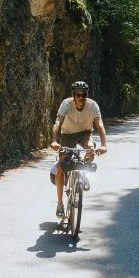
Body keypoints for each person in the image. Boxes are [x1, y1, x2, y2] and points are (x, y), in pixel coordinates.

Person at [49, 80, 108, 217]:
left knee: (90, 148)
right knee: (61, 166)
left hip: (85, 133)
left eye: (83, 95)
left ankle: (84, 171)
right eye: (78, 95)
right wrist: (54, 141)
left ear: (86, 95)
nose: (81, 98)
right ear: (73, 95)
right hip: (67, 134)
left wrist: (104, 144)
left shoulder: (92, 106)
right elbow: (58, 122)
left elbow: (99, 125)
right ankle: (60, 204)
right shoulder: (66, 104)